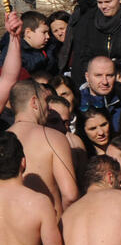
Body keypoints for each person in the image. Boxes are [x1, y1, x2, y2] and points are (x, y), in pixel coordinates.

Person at [6, 80, 78, 215]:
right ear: (34, 102)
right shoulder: (53, 138)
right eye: (45, 100)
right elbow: (70, 195)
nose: (49, 108)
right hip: (50, 227)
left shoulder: (3, 141)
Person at [70, 0, 121, 87]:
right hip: (96, 83)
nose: (104, 7)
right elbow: (83, 55)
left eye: (108, 2)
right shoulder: (89, 22)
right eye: (100, 3)